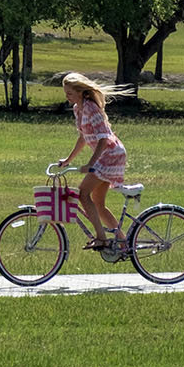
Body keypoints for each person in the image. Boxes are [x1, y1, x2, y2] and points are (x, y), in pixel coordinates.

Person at [56, 72, 129, 250]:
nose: (67, 97)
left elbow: (103, 138)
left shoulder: (91, 108)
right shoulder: (78, 109)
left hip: (111, 155)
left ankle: (102, 238)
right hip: (106, 155)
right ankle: (123, 243)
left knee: (82, 193)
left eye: (70, 93)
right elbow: (83, 137)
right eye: (66, 93)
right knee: (98, 203)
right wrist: (68, 159)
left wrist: (91, 164)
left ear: (81, 92)